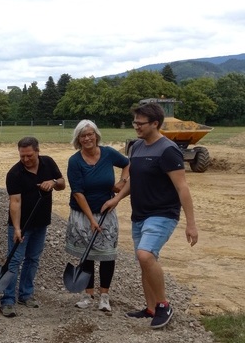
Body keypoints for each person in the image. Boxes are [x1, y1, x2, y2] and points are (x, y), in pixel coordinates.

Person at [102, 102, 198, 329]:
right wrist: (117, 199)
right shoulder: (136, 147)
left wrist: (191, 224)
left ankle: (164, 305)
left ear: (155, 123)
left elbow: (182, 187)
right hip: (140, 214)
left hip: (163, 213)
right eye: (135, 121)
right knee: (144, 261)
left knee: (146, 255)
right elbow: (134, 179)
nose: (136, 126)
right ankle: (151, 308)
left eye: (140, 123)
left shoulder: (168, 150)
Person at [65, 120, 129, 312]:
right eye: (83, 136)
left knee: (107, 255)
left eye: (90, 134)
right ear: (78, 139)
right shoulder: (75, 161)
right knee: (87, 255)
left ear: (96, 135)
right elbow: (78, 192)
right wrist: (91, 220)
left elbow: (128, 164)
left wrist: (122, 182)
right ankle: (88, 294)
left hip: (106, 212)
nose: (87, 138)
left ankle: (104, 296)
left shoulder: (108, 153)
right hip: (82, 214)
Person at [0, 137, 66, 317]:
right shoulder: (15, 174)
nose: (26, 159)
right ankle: (7, 300)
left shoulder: (48, 163)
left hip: (41, 222)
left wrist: (52, 183)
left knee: (33, 259)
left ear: (37, 151)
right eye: (22, 156)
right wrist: (17, 228)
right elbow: (15, 202)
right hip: (21, 225)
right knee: (14, 260)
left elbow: (62, 183)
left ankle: (26, 294)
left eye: (29, 155)